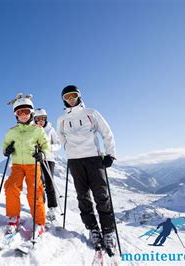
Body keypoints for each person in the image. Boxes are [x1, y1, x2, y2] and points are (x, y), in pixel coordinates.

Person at [56, 85, 117, 251]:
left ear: (78, 96)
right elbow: (60, 138)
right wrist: (66, 149)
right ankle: (93, 229)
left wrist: (110, 154)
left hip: (94, 159)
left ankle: (108, 231)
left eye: (73, 95)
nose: (70, 99)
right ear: (63, 99)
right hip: (75, 161)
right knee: (83, 197)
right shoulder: (61, 119)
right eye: (67, 97)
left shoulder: (91, 113)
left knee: (102, 196)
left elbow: (107, 133)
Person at [2, 94, 51, 237]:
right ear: (15, 115)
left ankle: (39, 223)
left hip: (33, 165)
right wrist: (7, 150)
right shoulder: (12, 131)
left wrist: (42, 153)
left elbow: (46, 145)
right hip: (17, 165)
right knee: (11, 187)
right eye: (19, 112)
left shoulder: (37, 129)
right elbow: (5, 145)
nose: (23, 115)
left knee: (35, 191)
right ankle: (13, 217)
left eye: (26, 112)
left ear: (31, 113)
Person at [33, 108, 61, 222]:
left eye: (42, 119)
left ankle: (52, 208)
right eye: (38, 119)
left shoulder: (50, 129)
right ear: (34, 120)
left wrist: (49, 148)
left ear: (46, 119)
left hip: (49, 159)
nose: (40, 121)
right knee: (39, 184)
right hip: (36, 159)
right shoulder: (32, 130)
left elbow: (58, 144)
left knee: (49, 183)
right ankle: (41, 206)